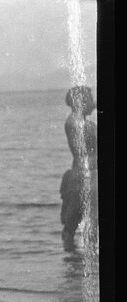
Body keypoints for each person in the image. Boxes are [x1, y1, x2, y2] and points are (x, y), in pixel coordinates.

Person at [60, 85, 98, 252]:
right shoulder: (79, 123)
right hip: (88, 177)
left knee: (72, 224)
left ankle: (71, 263)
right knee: (89, 223)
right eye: (90, 99)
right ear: (81, 102)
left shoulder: (73, 121)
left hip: (79, 176)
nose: (93, 103)